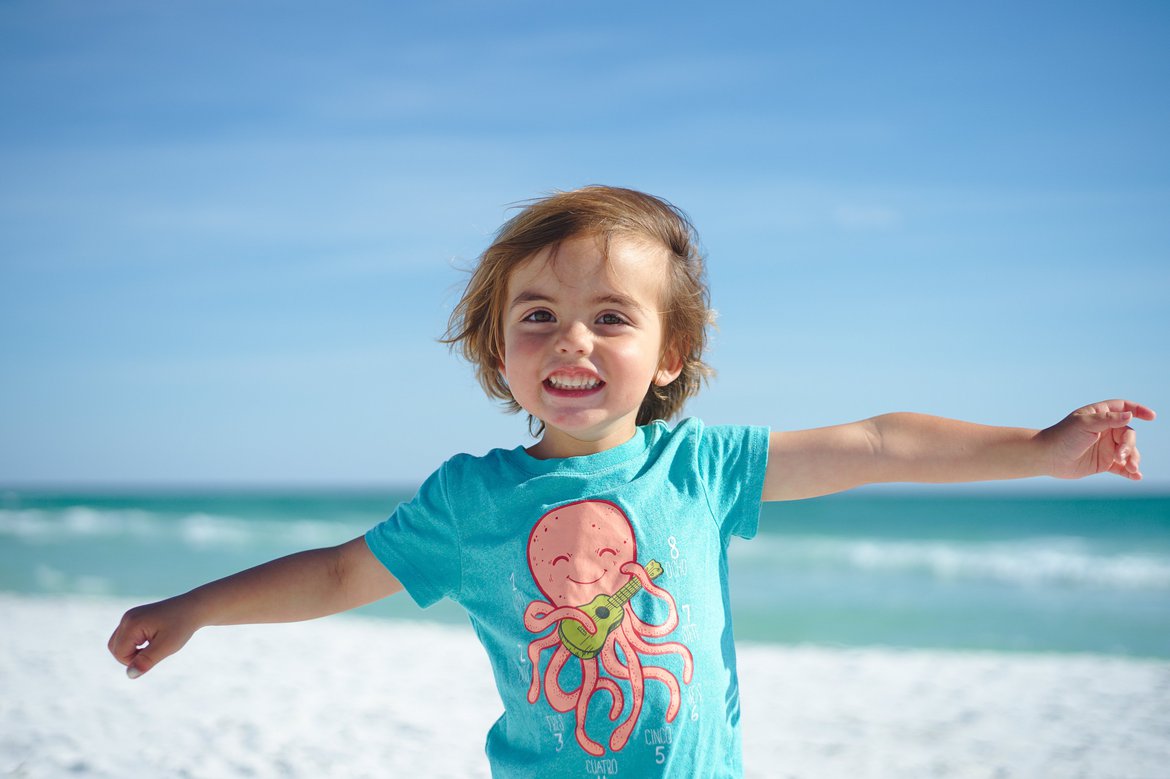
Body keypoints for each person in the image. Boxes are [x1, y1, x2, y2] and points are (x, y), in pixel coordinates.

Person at [109, 186, 1154, 778]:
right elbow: (340, 573)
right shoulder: (471, 500)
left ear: (668, 353)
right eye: (539, 314)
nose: (573, 336)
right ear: (499, 350)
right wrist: (195, 606)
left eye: (612, 314)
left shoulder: (700, 466)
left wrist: (1040, 446)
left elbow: (880, 441)